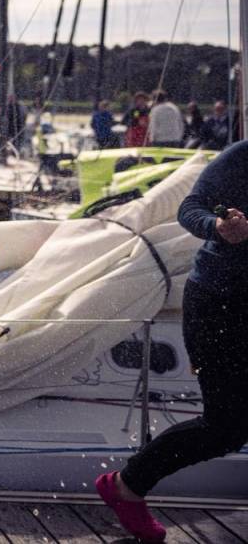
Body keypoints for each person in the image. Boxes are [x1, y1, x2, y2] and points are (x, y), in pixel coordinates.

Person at [96, 140, 248, 542]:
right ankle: (126, 486)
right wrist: (218, 227)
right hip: (220, 305)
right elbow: (191, 208)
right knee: (226, 427)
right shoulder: (242, 158)